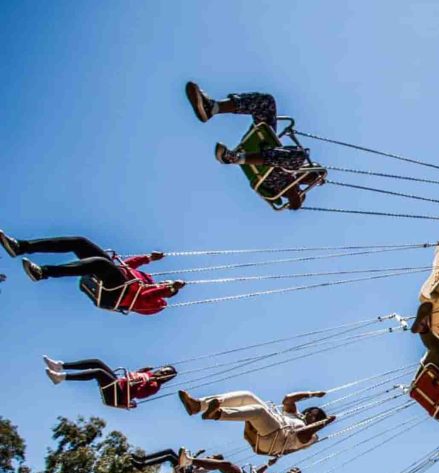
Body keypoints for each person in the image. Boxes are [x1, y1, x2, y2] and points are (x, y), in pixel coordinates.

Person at [185, 82, 314, 210]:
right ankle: (213, 108)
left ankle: (234, 157)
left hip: (268, 171)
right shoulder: (295, 165)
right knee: (266, 103)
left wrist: (295, 196)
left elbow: (293, 196)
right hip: (266, 147)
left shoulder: (288, 186)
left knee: (299, 156)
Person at [1, 231, 185, 314]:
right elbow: (127, 267)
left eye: (170, 289)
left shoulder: (159, 305)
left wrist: (165, 290)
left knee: (100, 264)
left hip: (115, 295)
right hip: (115, 278)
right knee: (80, 242)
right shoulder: (148, 279)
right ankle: (21, 247)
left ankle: (43, 272)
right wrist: (148, 258)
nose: (167, 284)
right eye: (168, 283)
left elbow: (144, 298)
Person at [178, 389, 335, 456]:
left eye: (315, 417)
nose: (310, 417)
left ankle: (218, 414)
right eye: (311, 413)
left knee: (259, 411)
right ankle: (198, 405)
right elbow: (288, 398)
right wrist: (312, 394)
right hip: (272, 427)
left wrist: (324, 423)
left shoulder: (313, 437)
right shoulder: (295, 416)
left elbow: (302, 435)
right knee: (248, 396)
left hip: (275, 440)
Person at [43, 356, 176, 409]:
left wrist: (146, 382)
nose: (162, 372)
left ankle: (60, 378)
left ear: (166, 379)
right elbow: (135, 376)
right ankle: (60, 366)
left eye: (165, 374)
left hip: (118, 395)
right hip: (119, 383)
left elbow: (139, 394)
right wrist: (142, 372)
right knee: (96, 362)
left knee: (98, 373)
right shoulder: (149, 373)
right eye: (163, 370)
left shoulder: (154, 386)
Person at [131, 448, 223, 473]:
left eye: (213, 456)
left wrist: (189, 465)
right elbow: (194, 461)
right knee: (169, 452)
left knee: (169, 457)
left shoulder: (210, 466)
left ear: (216, 460)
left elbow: (197, 471)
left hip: (186, 472)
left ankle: (142, 464)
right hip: (186, 468)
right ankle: (142, 459)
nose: (211, 456)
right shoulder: (207, 462)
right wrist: (198, 453)